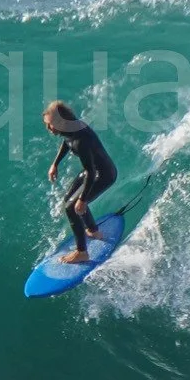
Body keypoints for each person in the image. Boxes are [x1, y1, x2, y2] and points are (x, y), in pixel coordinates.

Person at [44, 100, 118, 266]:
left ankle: (82, 252)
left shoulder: (81, 141)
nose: (49, 129)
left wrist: (83, 199)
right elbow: (66, 142)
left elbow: (91, 173)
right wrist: (55, 164)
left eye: (50, 125)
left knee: (72, 207)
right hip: (93, 170)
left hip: (103, 175)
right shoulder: (70, 129)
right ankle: (93, 231)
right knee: (68, 200)